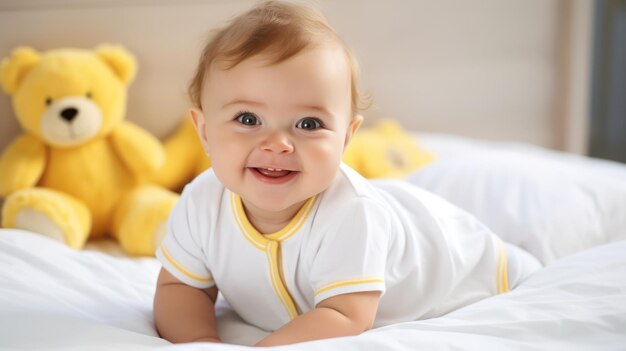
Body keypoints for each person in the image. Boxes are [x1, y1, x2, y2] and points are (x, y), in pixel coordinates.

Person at [153, 0, 541, 346]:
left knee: (507, 261)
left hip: (469, 268)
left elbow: (345, 316)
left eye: (307, 124)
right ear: (204, 131)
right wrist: (201, 341)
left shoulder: (350, 214)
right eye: (248, 118)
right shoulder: (202, 202)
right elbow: (179, 288)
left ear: (346, 137)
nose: (277, 144)